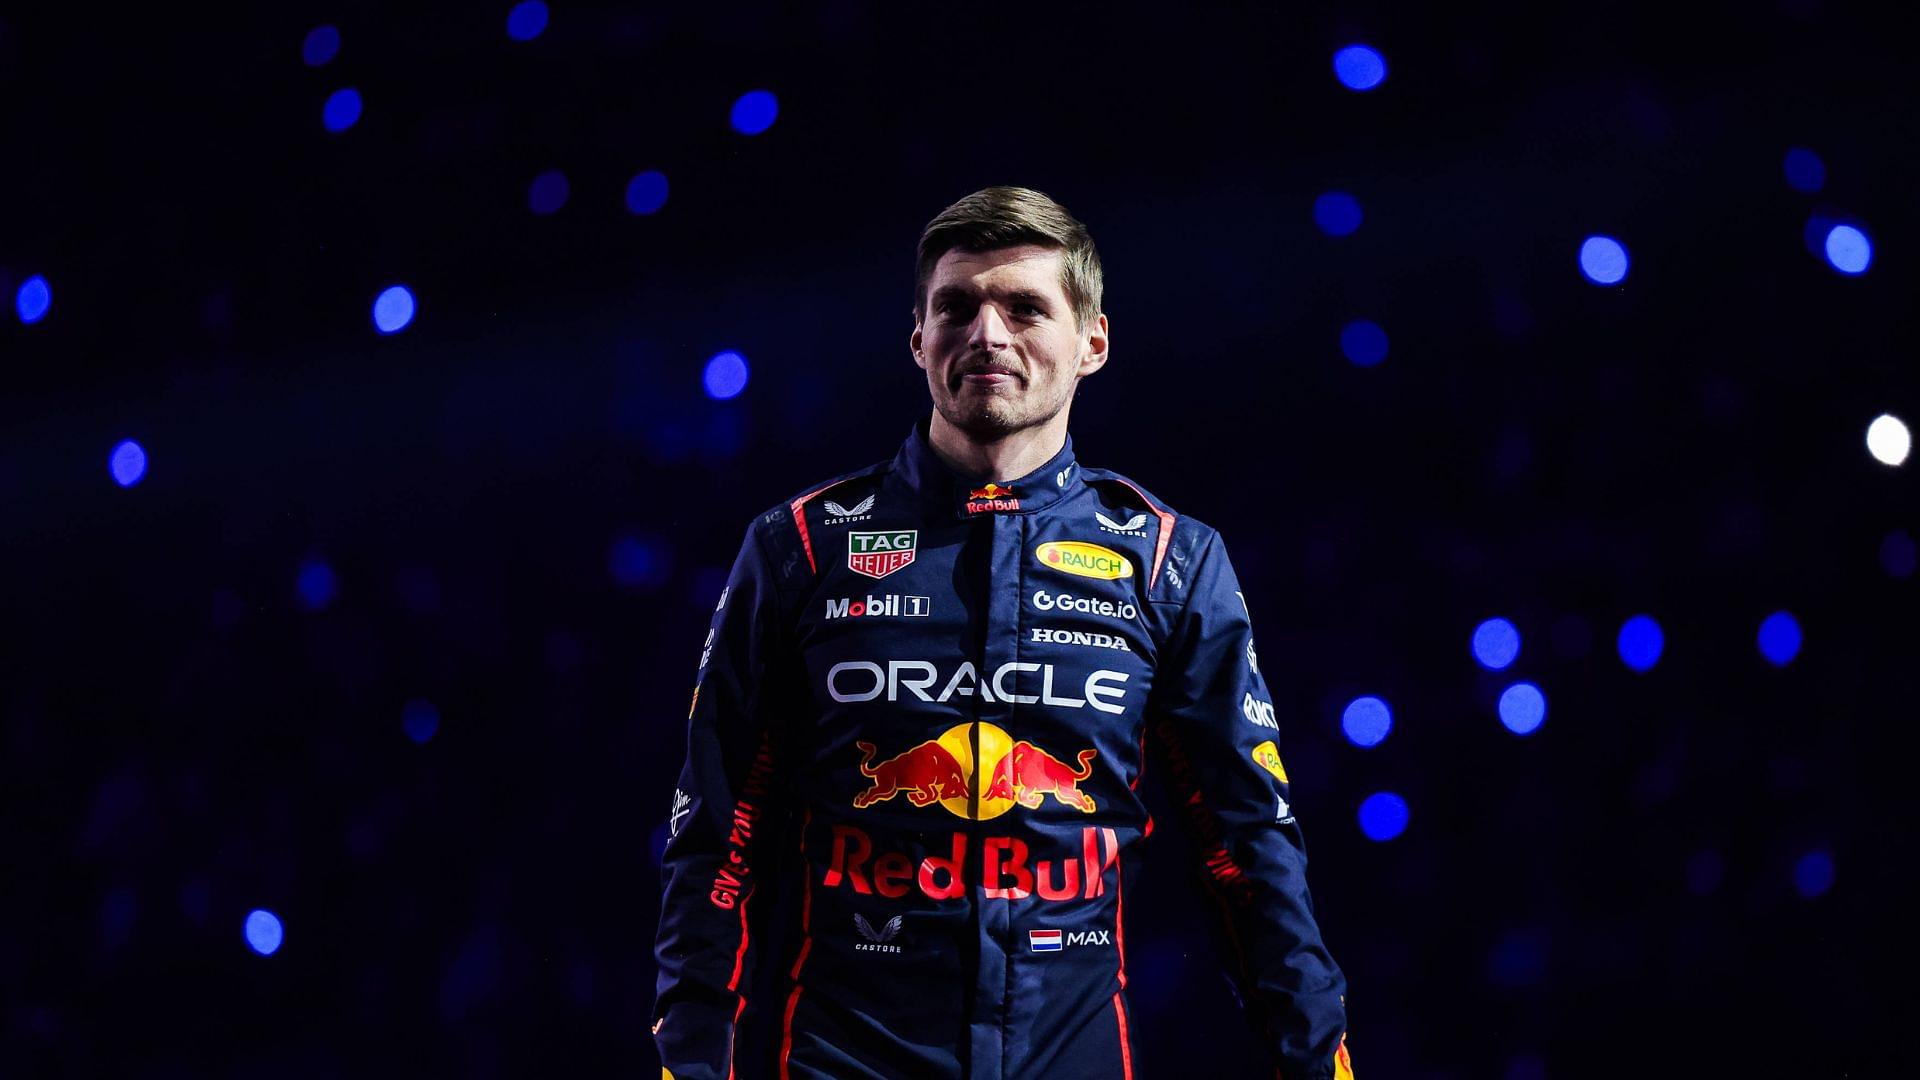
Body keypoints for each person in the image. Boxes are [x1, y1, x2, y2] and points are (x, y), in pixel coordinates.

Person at [652, 186, 1353, 1079]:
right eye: (957, 306)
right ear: (919, 340)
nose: (988, 332)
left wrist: (1314, 1054)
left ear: (1091, 342)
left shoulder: (1172, 560)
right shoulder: (798, 547)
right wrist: (690, 1057)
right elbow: (719, 833)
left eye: (1025, 307)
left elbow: (1248, 844)